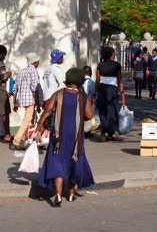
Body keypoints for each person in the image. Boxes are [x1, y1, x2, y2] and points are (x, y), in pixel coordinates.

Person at [35, 67, 95, 206]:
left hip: (58, 136)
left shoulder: (58, 94)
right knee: (73, 161)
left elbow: (47, 112)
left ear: (67, 80)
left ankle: (57, 194)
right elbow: (89, 115)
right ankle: (71, 194)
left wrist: (38, 129)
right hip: (75, 137)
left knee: (58, 162)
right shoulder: (82, 97)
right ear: (80, 82)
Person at [11, 54, 43, 149]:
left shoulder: (22, 71)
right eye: (38, 61)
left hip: (23, 99)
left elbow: (15, 88)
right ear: (35, 62)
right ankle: (16, 141)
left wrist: (14, 102)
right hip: (31, 99)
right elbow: (34, 87)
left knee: (32, 119)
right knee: (28, 119)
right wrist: (37, 101)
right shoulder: (33, 70)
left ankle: (28, 140)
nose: (38, 63)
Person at [94, 46, 125, 142]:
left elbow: (97, 80)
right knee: (112, 110)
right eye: (114, 52)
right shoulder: (116, 65)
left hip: (102, 88)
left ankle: (103, 130)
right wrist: (122, 95)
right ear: (112, 54)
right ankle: (110, 133)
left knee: (102, 110)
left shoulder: (100, 65)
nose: (115, 53)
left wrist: (94, 94)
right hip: (112, 89)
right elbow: (119, 81)